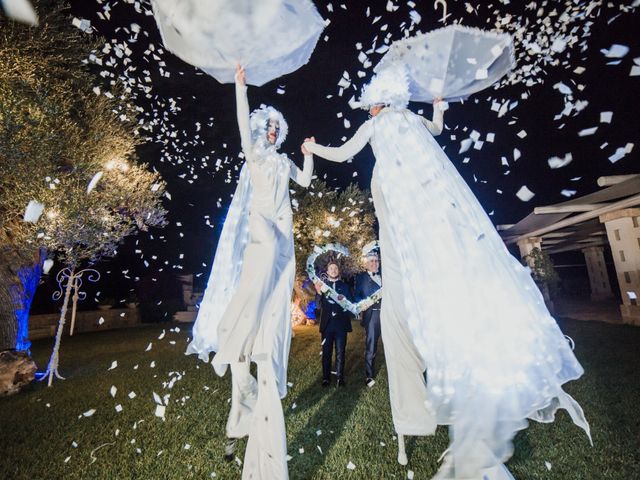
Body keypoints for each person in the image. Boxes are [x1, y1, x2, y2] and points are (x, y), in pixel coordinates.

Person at [303, 66, 590, 479]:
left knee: (405, 335)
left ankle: (419, 422)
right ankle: (437, 412)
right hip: (421, 241)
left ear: (380, 104)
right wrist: (438, 109)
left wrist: (313, 148)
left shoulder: (380, 126)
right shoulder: (412, 123)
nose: (369, 111)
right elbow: (436, 131)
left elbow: (344, 151)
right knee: (427, 325)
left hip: (403, 251)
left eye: (370, 106)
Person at [186, 65, 313, 480]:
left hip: (283, 230)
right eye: (269, 126)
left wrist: (309, 156)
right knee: (266, 255)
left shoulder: (283, 163)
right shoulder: (255, 155)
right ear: (262, 130)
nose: (273, 131)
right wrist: (240, 87)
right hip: (261, 226)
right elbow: (242, 123)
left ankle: (255, 343)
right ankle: (234, 332)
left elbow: (307, 182)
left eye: (278, 127)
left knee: (277, 281)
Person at [314, 261, 353, 387]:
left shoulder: (345, 286)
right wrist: (319, 293)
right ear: (327, 271)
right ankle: (326, 378)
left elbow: (351, 305)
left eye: (335, 268)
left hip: (341, 324)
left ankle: (340, 378)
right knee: (326, 352)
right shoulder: (323, 286)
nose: (333, 270)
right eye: (331, 268)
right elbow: (318, 305)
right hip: (327, 325)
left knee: (340, 352)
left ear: (338, 270)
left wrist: (344, 303)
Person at [354, 251, 382, 384]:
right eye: (372, 261)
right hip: (372, 316)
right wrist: (361, 304)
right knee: (371, 346)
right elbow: (357, 296)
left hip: (388, 313)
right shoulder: (361, 278)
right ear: (367, 264)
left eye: (376, 261)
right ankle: (369, 375)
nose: (374, 263)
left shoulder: (385, 275)